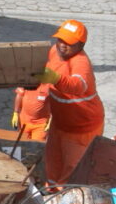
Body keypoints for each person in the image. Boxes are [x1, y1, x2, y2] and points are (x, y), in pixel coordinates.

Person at [36, 19, 105, 191]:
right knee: (53, 162)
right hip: (60, 123)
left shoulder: (81, 63)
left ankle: (62, 200)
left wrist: (56, 79)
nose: (62, 45)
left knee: (72, 169)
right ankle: (50, 190)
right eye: (60, 39)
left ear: (81, 45)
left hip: (81, 129)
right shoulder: (54, 51)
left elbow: (78, 85)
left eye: (68, 43)